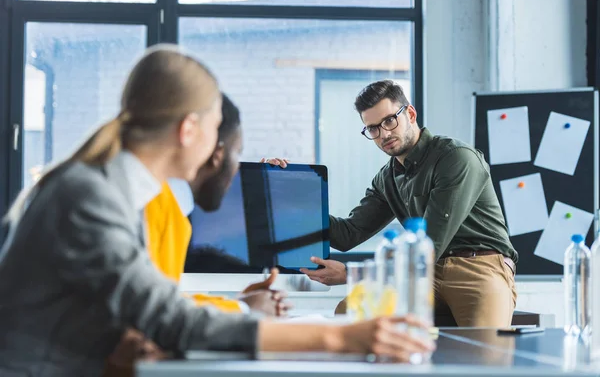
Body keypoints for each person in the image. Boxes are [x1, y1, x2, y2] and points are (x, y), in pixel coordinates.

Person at [0, 48, 433, 376]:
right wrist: (340, 337)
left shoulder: (109, 192)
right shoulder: (89, 197)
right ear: (189, 130)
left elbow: (139, 313)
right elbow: (170, 319)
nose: (219, 150)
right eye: (213, 131)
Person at [272, 80, 518, 328]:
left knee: (486, 351)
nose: (384, 134)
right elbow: (348, 234)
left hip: (478, 267)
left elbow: (428, 247)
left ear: (410, 114)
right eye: (373, 128)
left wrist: (351, 275)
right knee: (349, 311)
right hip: (423, 276)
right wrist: (290, 193)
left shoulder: (456, 158)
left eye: (389, 120)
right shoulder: (387, 178)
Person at [145, 93, 287, 317]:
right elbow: (152, 314)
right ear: (218, 154)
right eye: (237, 153)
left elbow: (163, 299)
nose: (236, 170)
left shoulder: (170, 206)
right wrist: (244, 308)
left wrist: (241, 304)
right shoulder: (149, 205)